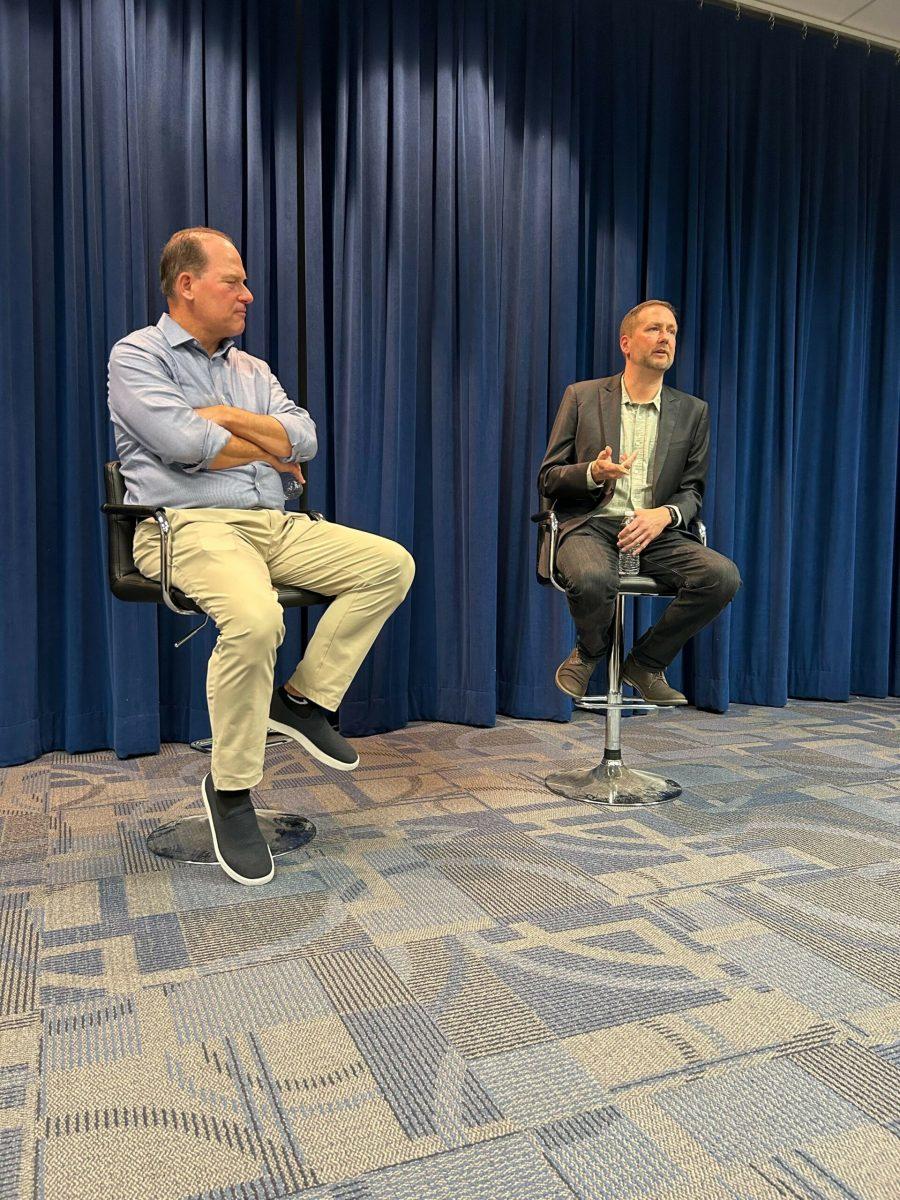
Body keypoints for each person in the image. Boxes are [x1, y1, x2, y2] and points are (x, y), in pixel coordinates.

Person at [108, 227, 414, 886]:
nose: (248, 294)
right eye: (233, 280)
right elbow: (185, 444)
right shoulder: (137, 356)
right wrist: (264, 445)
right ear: (187, 284)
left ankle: (302, 701)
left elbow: (303, 438)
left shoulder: (252, 372)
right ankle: (232, 788)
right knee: (255, 620)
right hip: (186, 527)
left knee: (390, 564)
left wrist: (226, 416)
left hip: (272, 524)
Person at [537, 300, 740, 705]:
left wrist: (664, 514)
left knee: (721, 577)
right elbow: (549, 477)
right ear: (626, 343)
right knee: (594, 578)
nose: (666, 337)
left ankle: (645, 663)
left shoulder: (694, 412)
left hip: (653, 534)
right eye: (654, 329)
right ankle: (591, 652)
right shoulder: (582, 396)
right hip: (591, 525)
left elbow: (692, 490)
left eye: (672, 331)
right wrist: (593, 472)